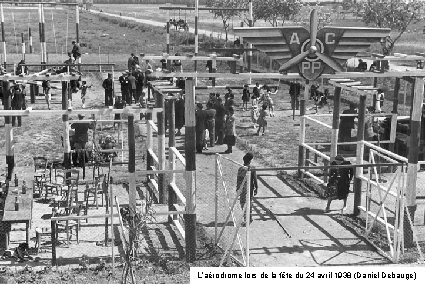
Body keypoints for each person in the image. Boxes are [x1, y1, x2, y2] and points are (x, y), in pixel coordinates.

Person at [237, 153, 258, 224]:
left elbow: (239, 180)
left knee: (243, 203)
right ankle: (250, 218)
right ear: (250, 161)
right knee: (249, 203)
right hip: (250, 189)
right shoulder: (252, 168)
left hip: (243, 189)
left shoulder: (241, 169)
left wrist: (237, 189)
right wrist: (256, 188)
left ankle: (247, 219)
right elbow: (255, 179)